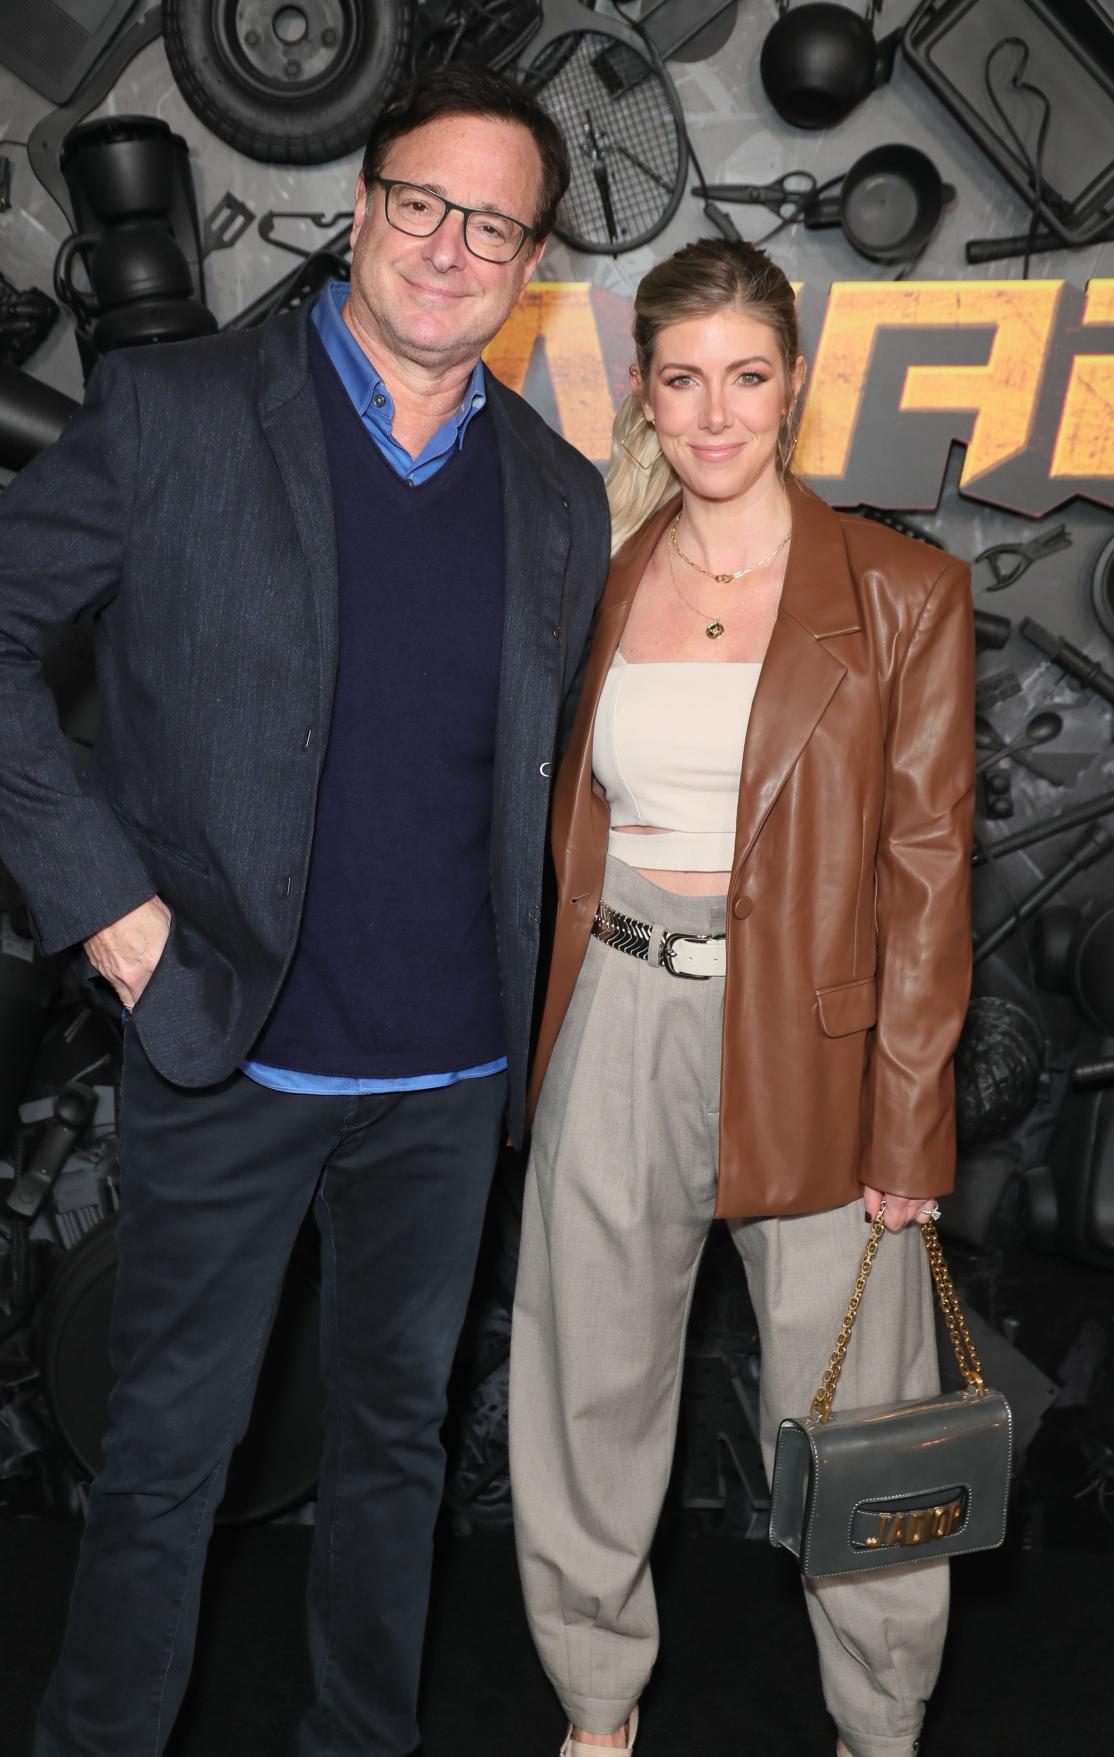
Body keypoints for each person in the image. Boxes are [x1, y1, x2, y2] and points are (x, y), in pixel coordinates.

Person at [0, 65, 610, 1757]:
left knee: (391, 1457)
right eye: (422, 204)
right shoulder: (181, 413)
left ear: (530, 264)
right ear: (360, 212)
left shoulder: (557, 493)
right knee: (164, 1459)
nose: (450, 246)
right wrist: (112, 913)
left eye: (491, 224)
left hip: (445, 1080)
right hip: (228, 1046)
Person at [508, 239, 975, 1757]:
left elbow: (926, 875)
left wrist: (908, 1127)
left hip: (821, 1039)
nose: (715, 414)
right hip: (618, 1016)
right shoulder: (601, 572)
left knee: (856, 1412)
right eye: (683, 378)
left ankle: (877, 1720)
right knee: (584, 1386)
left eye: (747, 377)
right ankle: (594, 1705)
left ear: (792, 384)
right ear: (642, 388)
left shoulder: (902, 592)